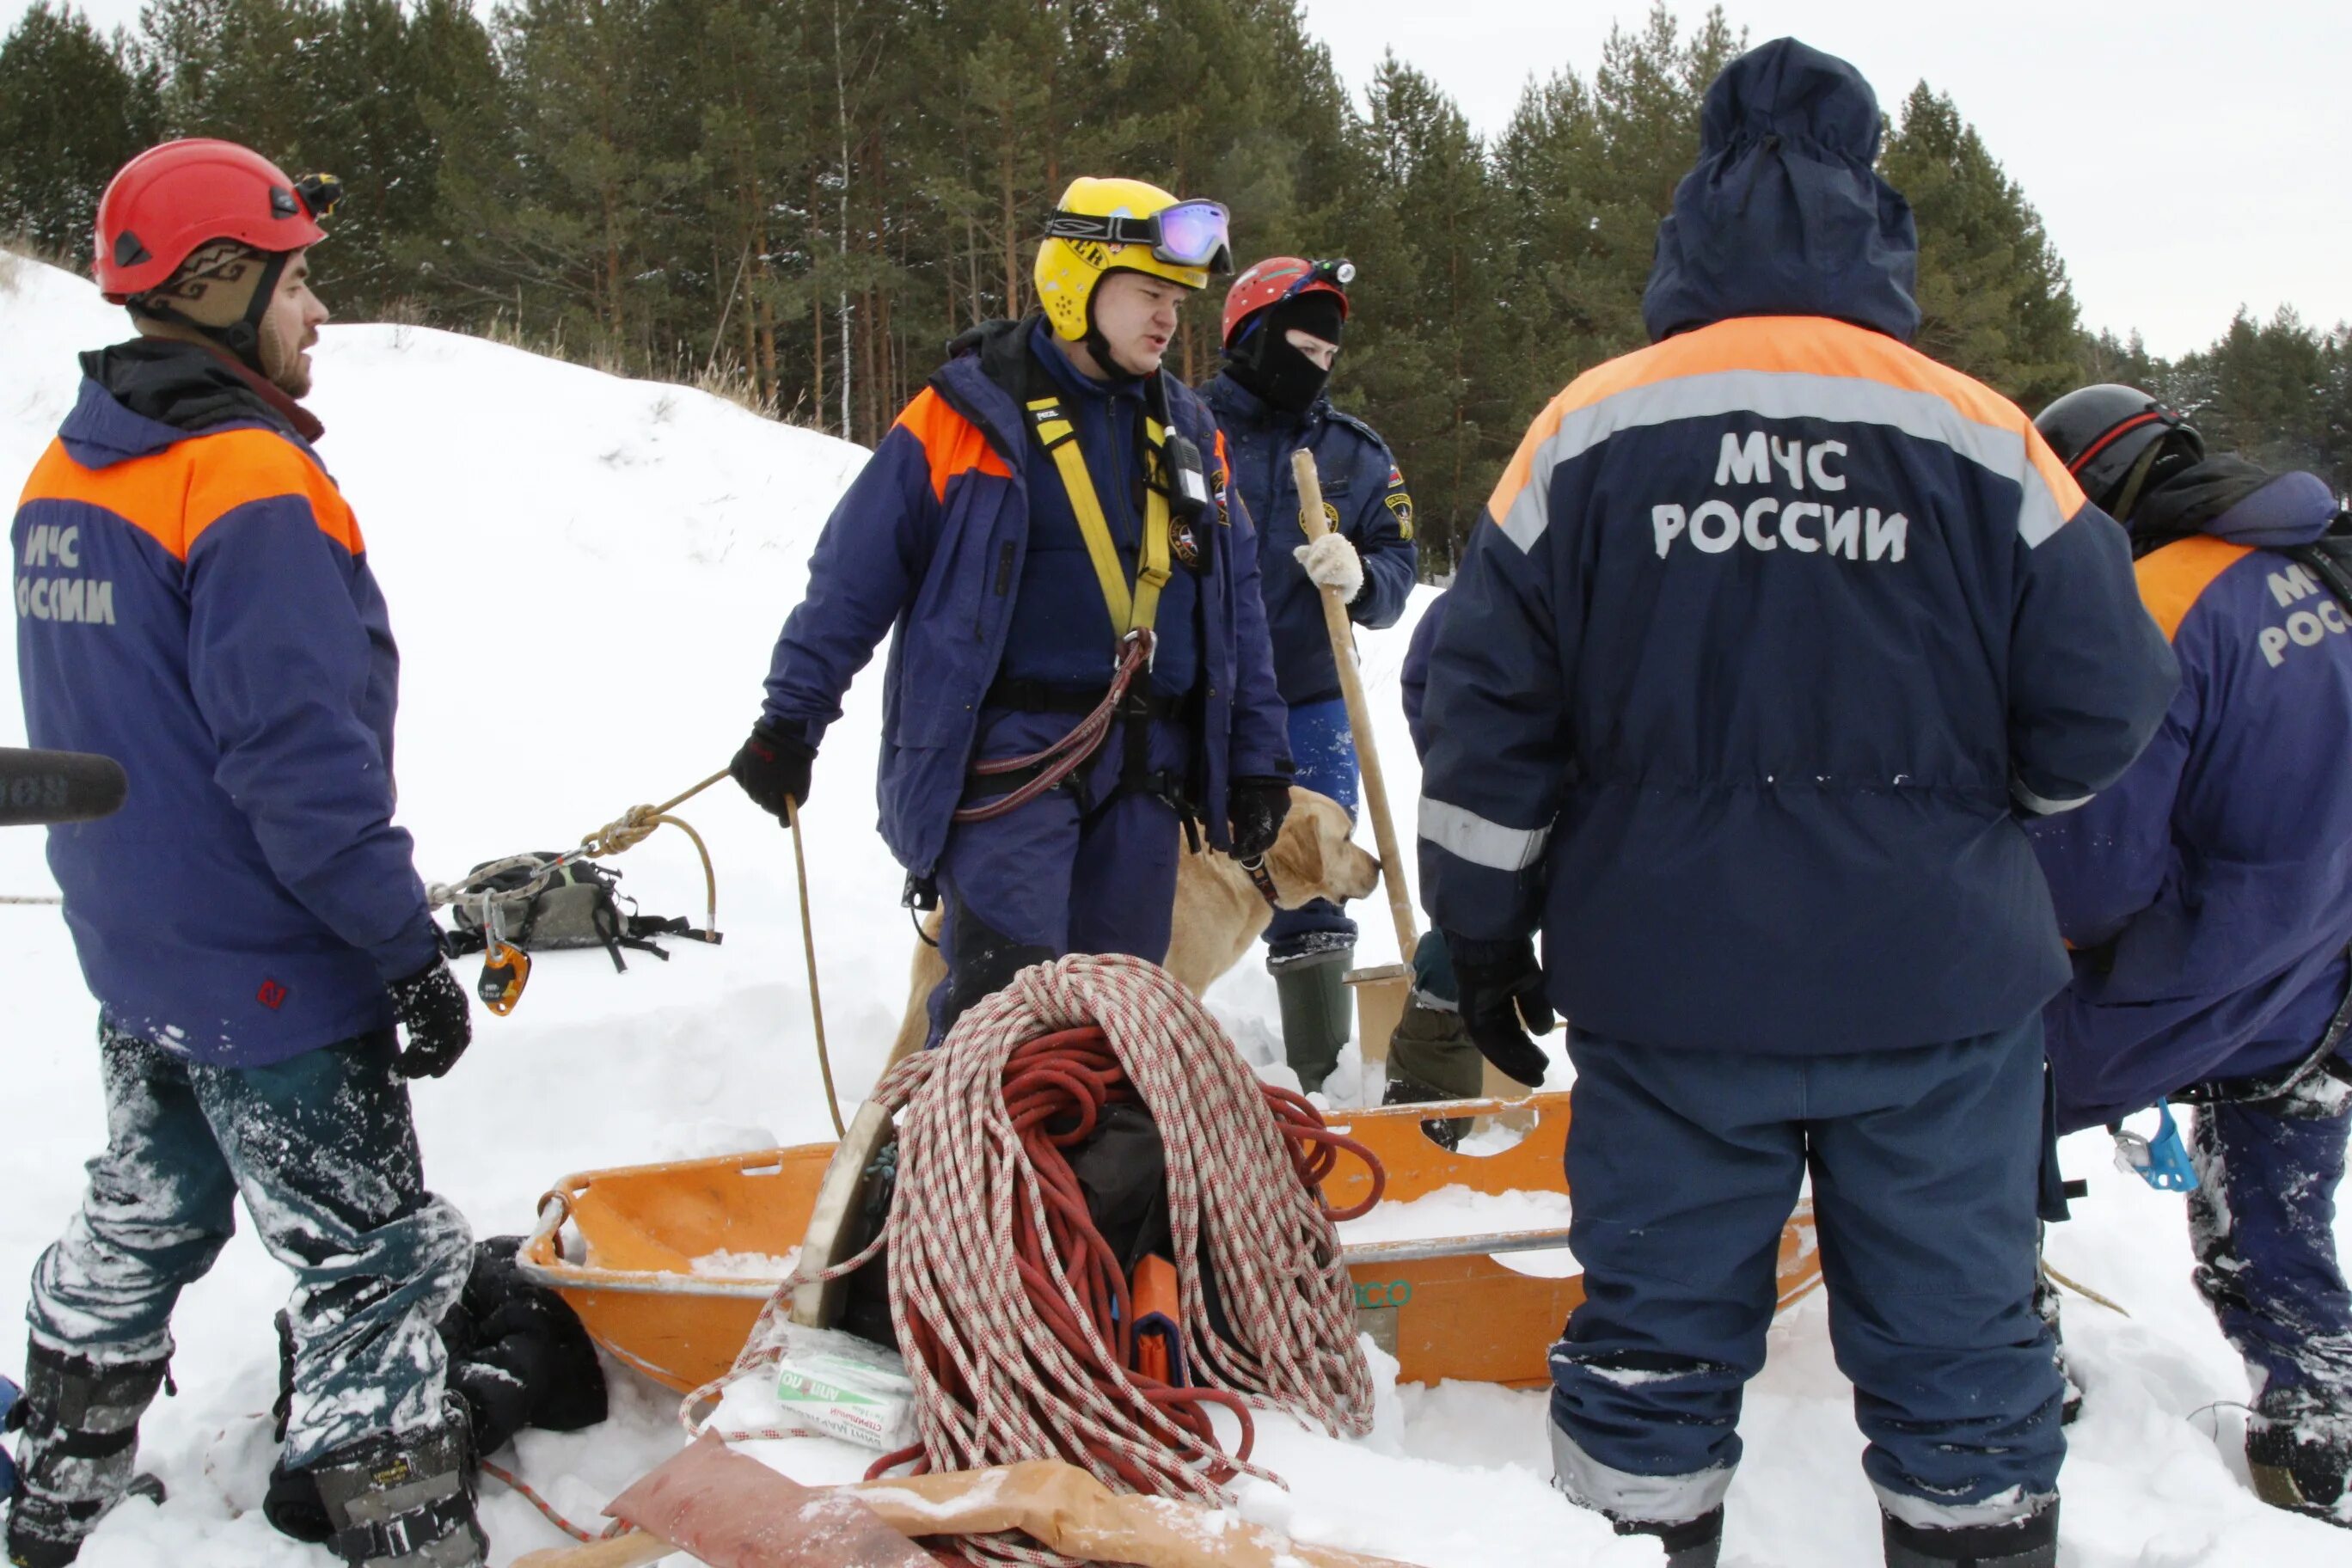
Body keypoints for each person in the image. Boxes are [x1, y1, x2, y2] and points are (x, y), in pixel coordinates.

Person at [1412, 40, 2177, 1568]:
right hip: (1939, 997)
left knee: (1649, 1361)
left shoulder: (1586, 428)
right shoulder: (1981, 431)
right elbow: (2112, 696)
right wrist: (1970, 815)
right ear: (1869, 201)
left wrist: (1480, 941)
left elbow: (1482, 718)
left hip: (1673, 986)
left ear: (1697, 203)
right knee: (1964, 1362)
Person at [4, 140, 482, 1568]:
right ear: (216, 283)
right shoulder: (248, 480)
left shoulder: (66, 469)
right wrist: (404, 949)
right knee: (374, 1259)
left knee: (148, 1207)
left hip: (136, 949)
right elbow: (302, 770)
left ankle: (50, 1492)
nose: (315, 310)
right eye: (295, 282)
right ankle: (403, 1528)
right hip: (274, 970)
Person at [732, 178, 1291, 1042]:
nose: (1168, 319)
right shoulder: (962, 417)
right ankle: (968, 1170)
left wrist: (1258, 760)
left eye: (1175, 301)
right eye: (1148, 294)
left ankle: (1095, 1177)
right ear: (1077, 282)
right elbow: (851, 580)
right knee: (1007, 1013)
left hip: (1145, 772)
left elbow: (1236, 606)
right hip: (1008, 770)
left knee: (1117, 1025)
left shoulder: (1193, 435)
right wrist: (790, 722)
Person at [2027, 385, 2352, 1525]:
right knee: (2279, 1208)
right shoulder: (2320, 564)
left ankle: (2009, 1365)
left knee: (1977, 1103)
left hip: (2188, 971)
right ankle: (2316, 1428)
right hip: (2324, 968)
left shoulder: (2153, 605)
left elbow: (2095, 873)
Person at [1200, 258, 1416, 1092]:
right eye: (1300, 348)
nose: (1317, 367)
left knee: (1316, 876)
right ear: (1250, 339)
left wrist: (1364, 576)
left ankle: (1321, 1074)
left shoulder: (1353, 455)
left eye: (1329, 357)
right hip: (1193, 699)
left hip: (1308, 700)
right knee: (1158, 871)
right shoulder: (1181, 426)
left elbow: (1400, 562)